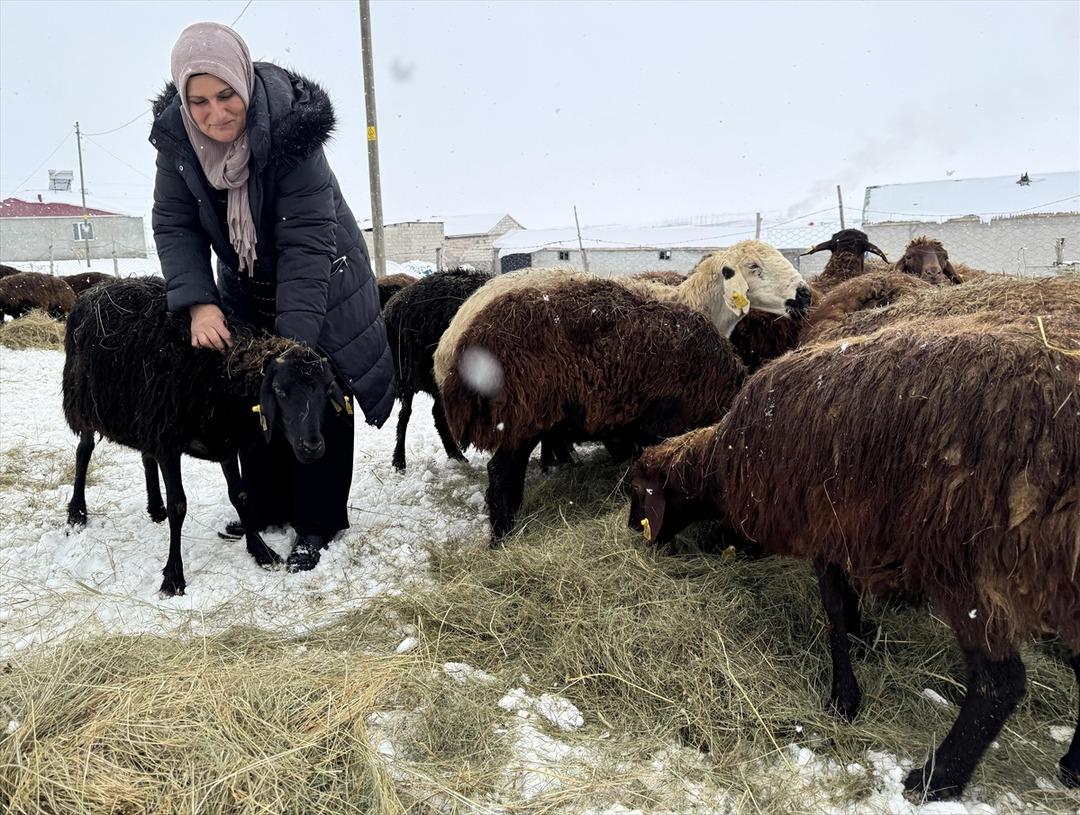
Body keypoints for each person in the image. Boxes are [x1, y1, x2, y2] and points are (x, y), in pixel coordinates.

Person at [150, 22, 394, 571]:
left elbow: (307, 239)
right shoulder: (178, 143)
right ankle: (268, 506)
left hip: (322, 277)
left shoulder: (291, 131)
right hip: (245, 277)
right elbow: (174, 222)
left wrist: (295, 342)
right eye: (199, 101)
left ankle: (319, 520)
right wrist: (199, 300)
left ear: (245, 81)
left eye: (226, 95)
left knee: (310, 390)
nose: (215, 114)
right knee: (253, 392)